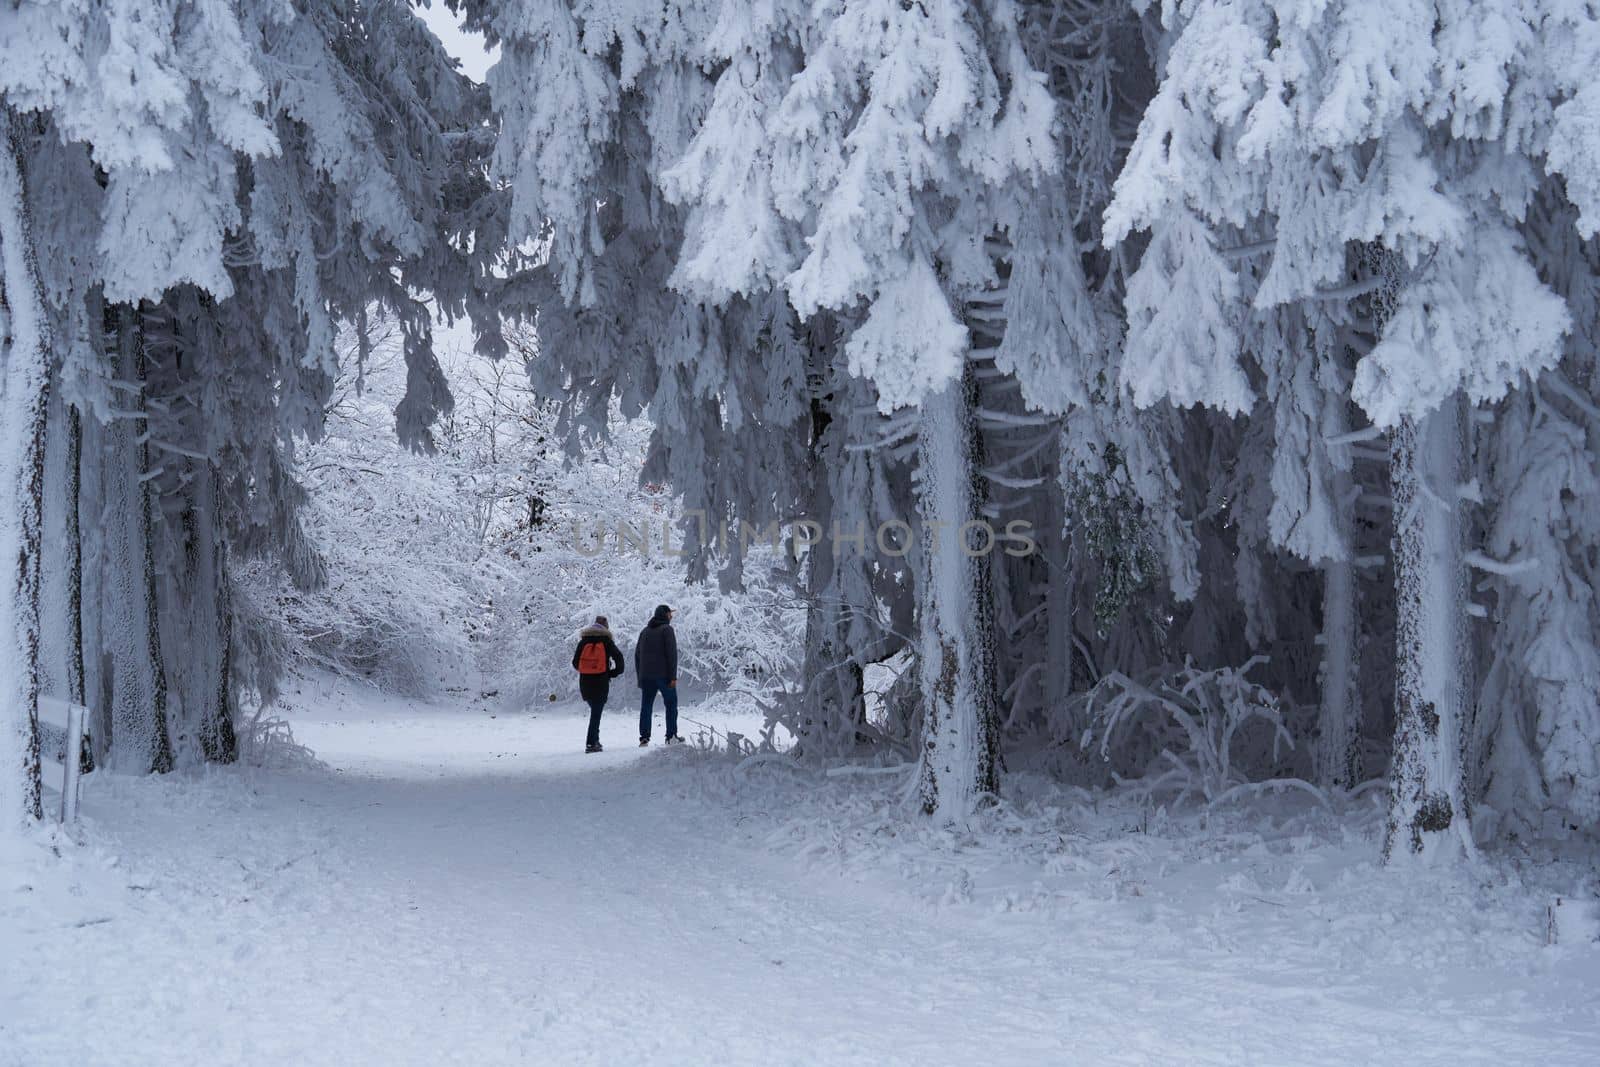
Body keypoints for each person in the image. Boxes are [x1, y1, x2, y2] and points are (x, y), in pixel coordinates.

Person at [572, 616, 625, 753]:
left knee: (595, 711)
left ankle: (595, 740)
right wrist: (612, 673)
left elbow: (575, 663)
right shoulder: (607, 641)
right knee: (596, 713)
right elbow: (619, 658)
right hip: (601, 682)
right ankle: (591, 743)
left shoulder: (583, 642)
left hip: (585, 683)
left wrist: (586, 671)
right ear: (606, 627)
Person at [635, 604, 680, 746]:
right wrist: (672, 676)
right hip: (664, 676)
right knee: (671, 704)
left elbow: (637, 655)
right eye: (669, 614)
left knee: (646, 706)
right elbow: (672, 654)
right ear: (665, 615)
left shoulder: (644, 631)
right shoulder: (667, 630)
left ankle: (644, 737)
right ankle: (671, 736)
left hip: (646, 676)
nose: (671, 616)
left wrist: (640, 677)